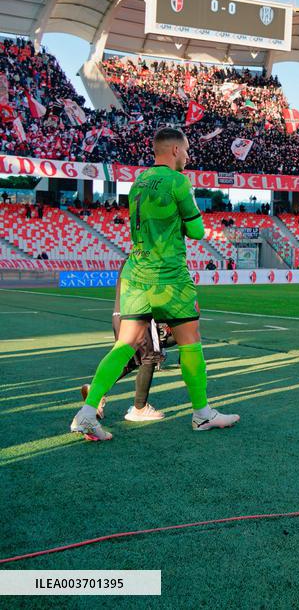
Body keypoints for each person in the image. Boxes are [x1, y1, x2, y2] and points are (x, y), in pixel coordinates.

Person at [69, 127, 239, 441]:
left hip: (136, 274)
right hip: (169, 277)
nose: (187, 156)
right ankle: (202, 414)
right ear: (174, 150)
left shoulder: (139, 182)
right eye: (186, 150)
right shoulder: (179, 181)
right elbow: (197, 232)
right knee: (190, 341)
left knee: (125, 345)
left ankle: (88, 413)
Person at [81, 267, 176, 421]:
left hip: (121, 314)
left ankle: (96, 392)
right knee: (149, 358)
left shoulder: (130, 261)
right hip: (140, 314)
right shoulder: (149, 260)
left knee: (130, 360)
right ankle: (140, 408)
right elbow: (156, 290)